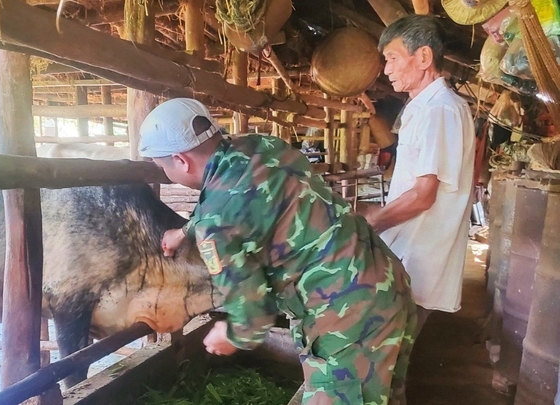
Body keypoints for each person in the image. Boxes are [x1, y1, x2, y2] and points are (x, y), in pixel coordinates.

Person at [138, 98, 416, 405]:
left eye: (161, 165)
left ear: (181, 160)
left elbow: (254, 314)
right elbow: (240, 200)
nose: (164, 171)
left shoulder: (214, 229)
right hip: (386, 281)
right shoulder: (263, 146)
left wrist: (229, 335)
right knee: (385, 396)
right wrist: (186, 230)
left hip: (346, 315)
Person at [364, 15, 476, 336]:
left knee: (390, 352)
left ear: (424, 57)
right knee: (390, 353)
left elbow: (424, 194)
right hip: (409, 249)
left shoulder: (440, 110)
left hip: (418, 255)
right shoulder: (426, 108)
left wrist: (373, 222)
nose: (387, 70)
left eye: (393, 59)